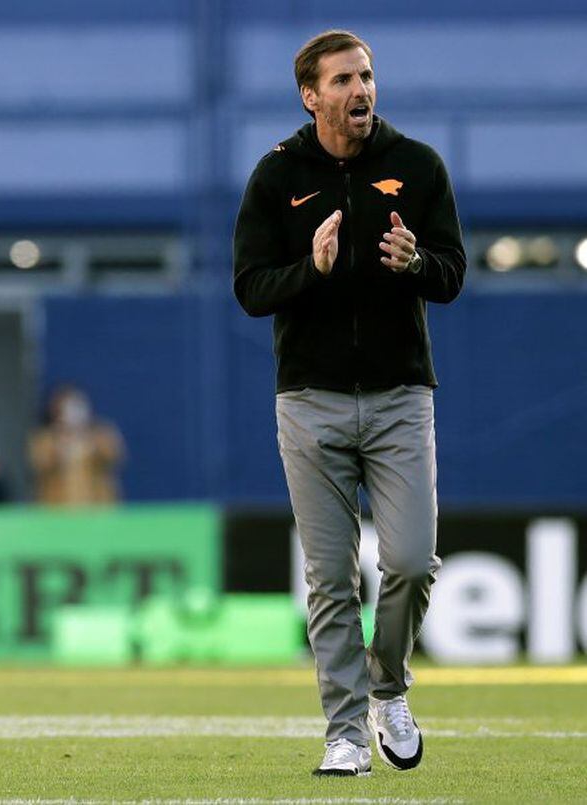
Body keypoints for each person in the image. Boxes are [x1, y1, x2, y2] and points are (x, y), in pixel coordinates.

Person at [232, 30, 465, 777]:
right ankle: (342, 733)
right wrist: (311, 268)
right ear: (310, 95)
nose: (359, 90)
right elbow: (248, 288)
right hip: (309, 402)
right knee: (330, 579)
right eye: (342, 80)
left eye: (365, 76)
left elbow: (452, 272)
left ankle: (387, 688)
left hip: (400, 396)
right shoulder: (276, 175)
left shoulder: (417, 166)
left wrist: (416, 262)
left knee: (408, 561)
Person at [27, 384, 125, 506]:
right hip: (57, 509)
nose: (73, 414)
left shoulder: (101, 434)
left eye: (78, 407)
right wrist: (61, 444)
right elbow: (40, 463)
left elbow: (114, 456)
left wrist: (88, 442)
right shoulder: (46, 439)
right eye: (67, 409)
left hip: (98, 507)